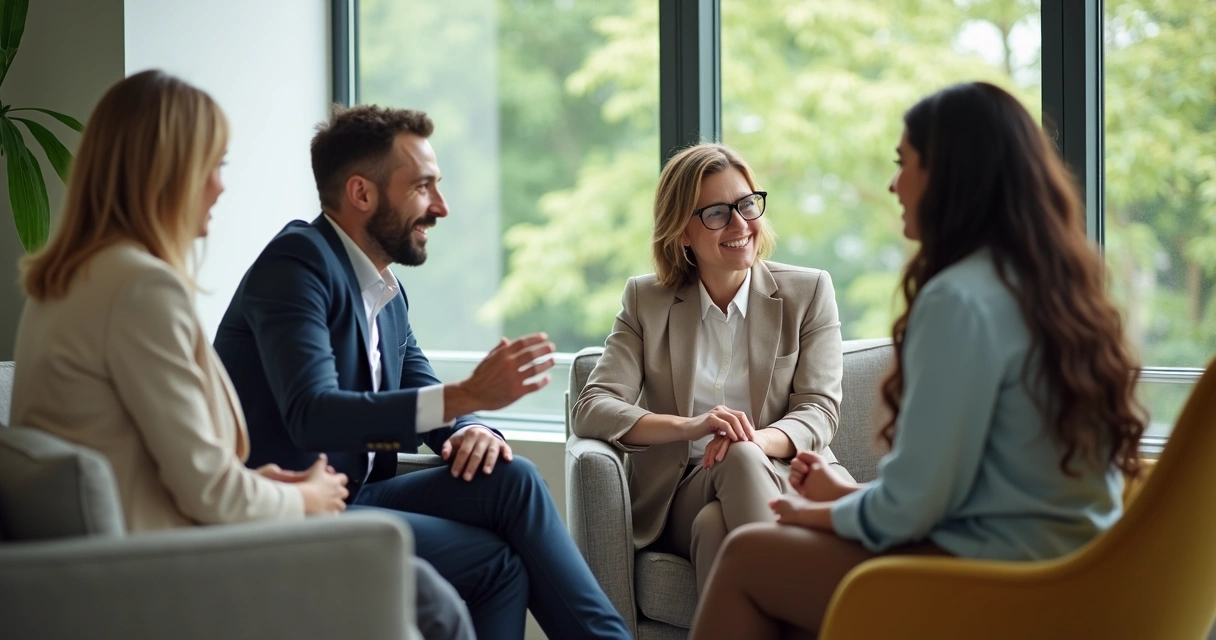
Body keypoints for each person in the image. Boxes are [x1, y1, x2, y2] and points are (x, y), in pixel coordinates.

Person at [10, 70, 475, 640]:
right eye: (212, 166)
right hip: (160, 570)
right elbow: (209, 491)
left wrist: (271, 487)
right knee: (432, 600)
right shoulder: (141, 289)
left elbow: (165, 460)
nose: (219, 188)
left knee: (459, 555)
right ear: (165, 174)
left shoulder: (68, 282)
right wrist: (303, 497)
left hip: (119, 561)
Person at [688, 81, 1148, 638]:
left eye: (903, 163)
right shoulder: (1049, 285)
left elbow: (912, 509)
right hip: (1074, 574)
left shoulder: (958, 299)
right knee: (744, 540)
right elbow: (971, 490)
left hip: (1006, 587)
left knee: (747, 555)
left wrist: (818, 514)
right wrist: (846, 496)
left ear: (950, 176)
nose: (893, 184)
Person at [211, 104, 630, 640]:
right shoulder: (296, 264)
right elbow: (311, 415)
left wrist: (472, 427)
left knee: (514, 479)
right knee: (497, 565)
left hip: (354, 496)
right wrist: (467, 395)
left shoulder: (386, 293)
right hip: (292, 508)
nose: (441, 207)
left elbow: (422, 386)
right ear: (362, 194)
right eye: (422, 187)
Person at [572, 143, 849, 593]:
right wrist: (690, 426)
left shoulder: (808, 292)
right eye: (717, 213)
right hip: (682, 492)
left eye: (747, 204)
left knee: (715, 525)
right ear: (682, 232)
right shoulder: (646, 301)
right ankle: (806, 610)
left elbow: (819, 410)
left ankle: (778, 611)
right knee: (730, 464)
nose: (740, 224)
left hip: (781, 476)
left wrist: (753, 441)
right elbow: (592, 407)